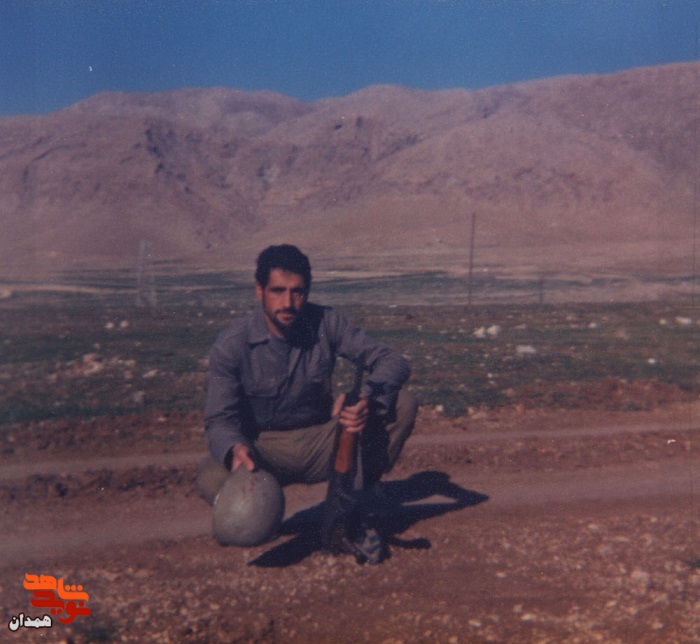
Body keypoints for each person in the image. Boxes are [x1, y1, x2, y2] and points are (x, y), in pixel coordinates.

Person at [200, 244, 417, 557]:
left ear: (308, 291)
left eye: (298, 292)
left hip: (321, 441)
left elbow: (393, 361)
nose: (288, 303)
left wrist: (367, 398)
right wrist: (235, 448)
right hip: (264, 449)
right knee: (213, 477)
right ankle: (262, 516)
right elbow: (219, 418)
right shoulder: (232, 345)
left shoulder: (327, 322)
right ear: (259, 290)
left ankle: (356, 508)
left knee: (401, 404)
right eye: (278, 291)